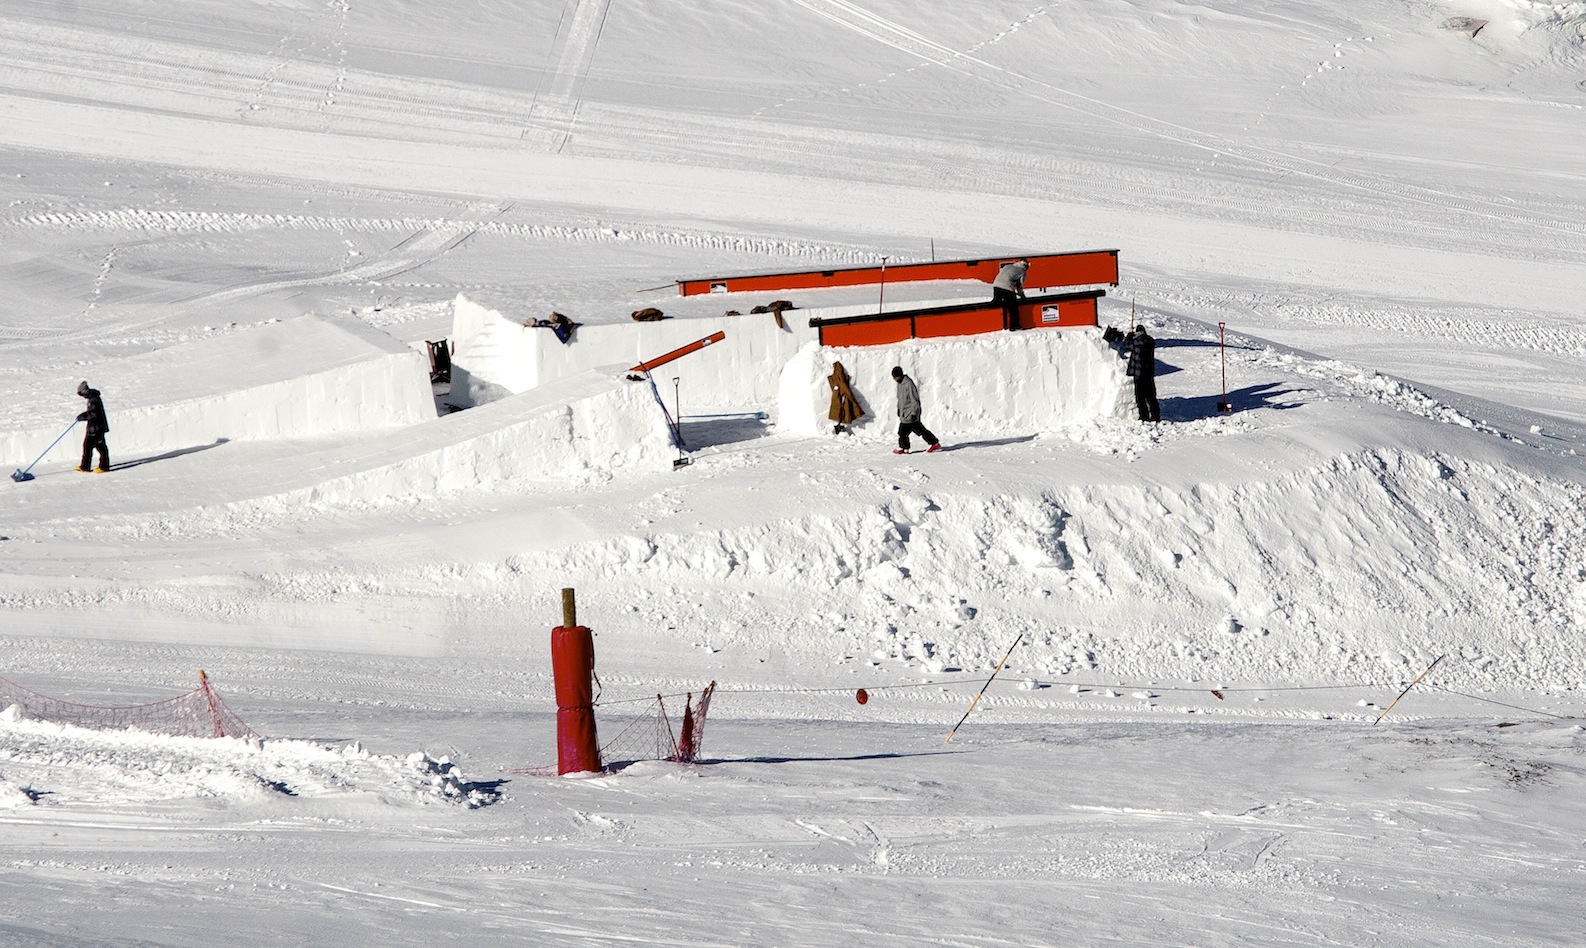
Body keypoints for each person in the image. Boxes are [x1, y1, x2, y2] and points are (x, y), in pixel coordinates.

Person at [891, 366, 941, 454]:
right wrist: (899, 408)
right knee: (919, 430)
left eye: (896, 377)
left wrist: (914, 413)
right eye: (894, 377)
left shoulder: (908, 384)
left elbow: (915, 400)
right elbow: (900, 399)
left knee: (903, 431)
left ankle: (904, 447)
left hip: (910, 413)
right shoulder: (899, 384)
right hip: (904, 413)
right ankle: (933, 442)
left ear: (900, 375)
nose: (895, 379)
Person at [1124, 326, 1161, 422]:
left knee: (1140, 398)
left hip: (1139, 374)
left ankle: (1144, 416)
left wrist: (1129, 335)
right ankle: (1155, 416)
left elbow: (1127, 345)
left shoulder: (1137, 342)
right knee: (1151, 397)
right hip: (1148, 374)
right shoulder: (1149, 341)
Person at [75, 380, 110, 472]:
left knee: (101, 447)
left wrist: (83, 416)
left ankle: (104, 467)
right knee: (87, 446)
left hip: (97, 428)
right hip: (93, 428)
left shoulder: (94, 398)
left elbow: (94, 414)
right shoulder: (91, 398)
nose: (82, 396)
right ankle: (85, 466)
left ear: (84, 391)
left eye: (81, 394)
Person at [992, 258, 1029, 330]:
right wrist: (1022, 297)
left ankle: (996, 323)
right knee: (1013, 308)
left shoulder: (1008, 266)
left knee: (996, 303)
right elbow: (1019, 286)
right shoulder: (1022, 272)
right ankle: (1014, 326)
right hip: (1007, 288)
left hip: (996, 286)